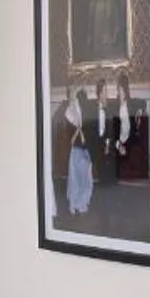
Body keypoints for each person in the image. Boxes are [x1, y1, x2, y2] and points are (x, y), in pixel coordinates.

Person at [61, 86, 94, 219]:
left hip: (84, 148)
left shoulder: (82, 109)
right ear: (69, 96)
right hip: (75, 149)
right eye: (72, 95)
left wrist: (82, 131)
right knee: (75, 179)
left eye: (75, 95)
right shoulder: (68, 113)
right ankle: (73, 204)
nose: (74, 98)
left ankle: (82, 203)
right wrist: (78, 129)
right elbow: (71, 140)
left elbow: (87, 129)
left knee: (86, 178)